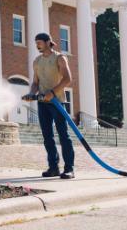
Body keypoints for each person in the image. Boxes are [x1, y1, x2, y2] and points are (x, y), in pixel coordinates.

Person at [24, 32, 75, 179]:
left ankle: (69, 169)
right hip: (43, 104)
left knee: (64, 136)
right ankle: (53, 167)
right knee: (47, 137)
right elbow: (35, 82)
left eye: (39, 42)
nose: (37, 45)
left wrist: (52, 93)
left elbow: (67, 79)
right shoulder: (37, 61)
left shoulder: (59, 58)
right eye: (36, 43)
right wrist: (31, 93)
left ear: (48, 42)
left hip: (57, 102)